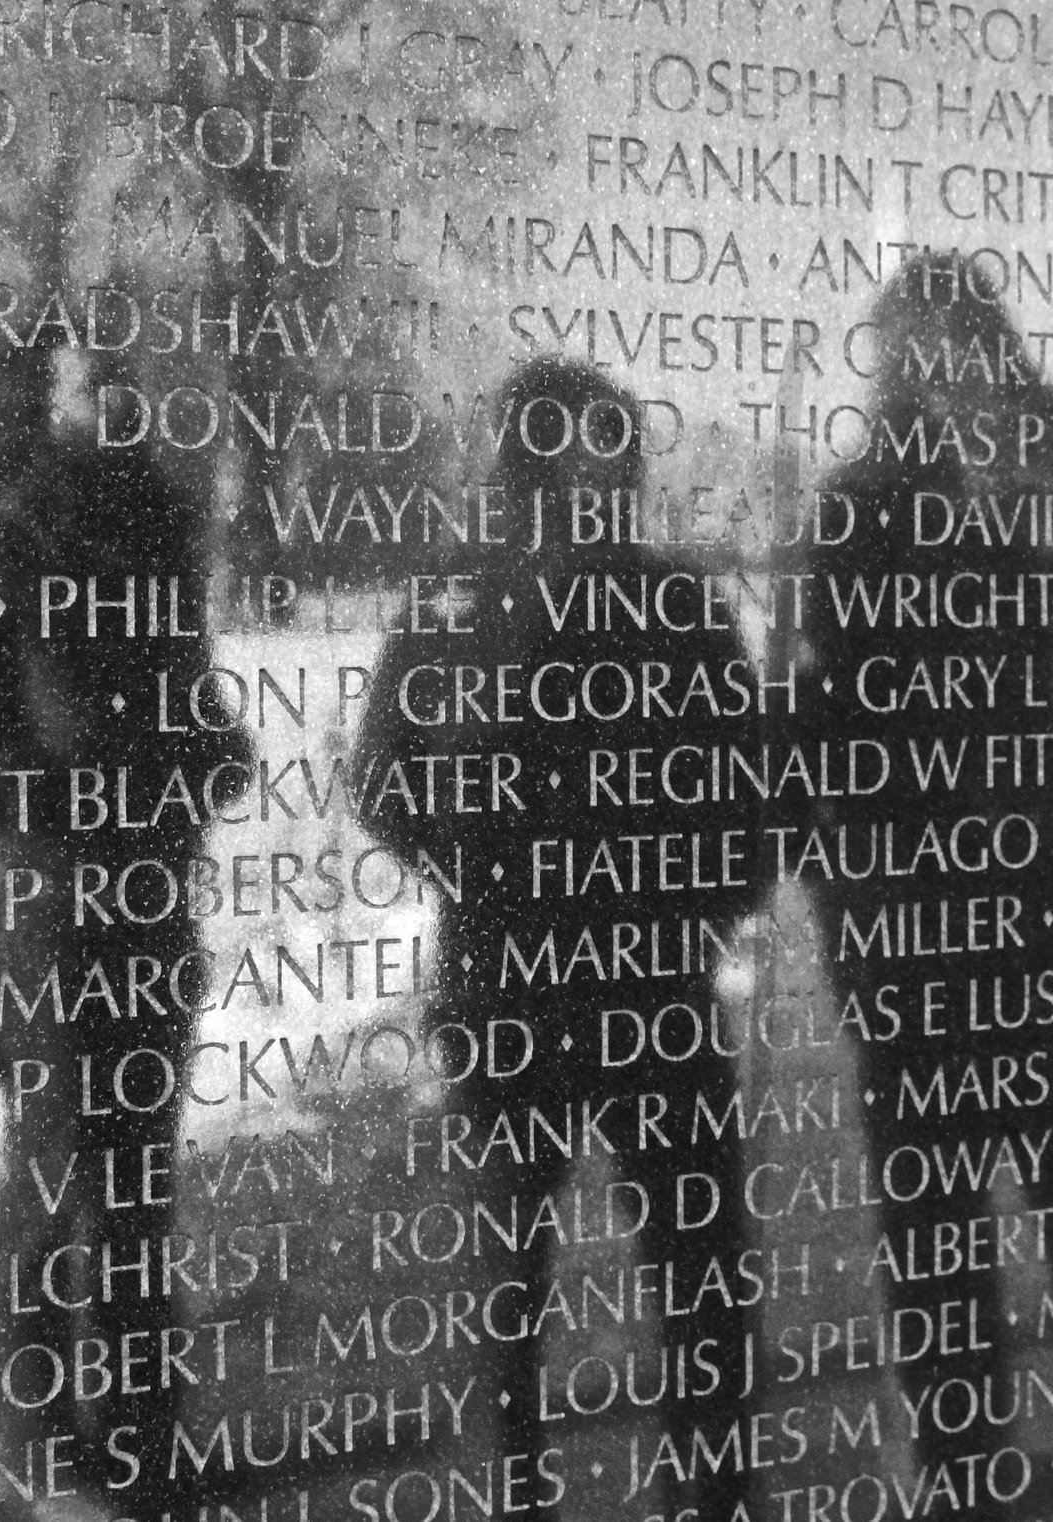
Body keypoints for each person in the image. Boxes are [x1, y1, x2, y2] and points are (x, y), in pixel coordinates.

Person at [796, 254, 1053, 1491]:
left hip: (918, 931)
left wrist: (853, 902)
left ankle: (969, 1451)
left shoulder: (863, 502)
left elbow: (824, 744)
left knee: (938, 1211)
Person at [352, 359, 773, 1522]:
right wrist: (700, 906)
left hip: (506, 977)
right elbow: (749, 810)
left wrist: (479, 877)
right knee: (691, 1261)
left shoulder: (453, 599)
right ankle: (708, 1489)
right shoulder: (679, 605)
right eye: (612, 455)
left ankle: (510, 1493)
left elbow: (379, 782)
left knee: (510, 1270)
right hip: (645, 983)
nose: (621, 478)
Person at [0, 343, 251, 1522]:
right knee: (55, 1164)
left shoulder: (158, 527)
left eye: (120, 379)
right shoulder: (2, 531)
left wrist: (210, 749)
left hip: (150, 882)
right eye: (84, 383)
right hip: (53, 895)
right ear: (45, 403)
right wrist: (22, 786)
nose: (110, 399)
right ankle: (43, 1432)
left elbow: (183, 687)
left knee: (138, 1169)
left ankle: (145, 1421)